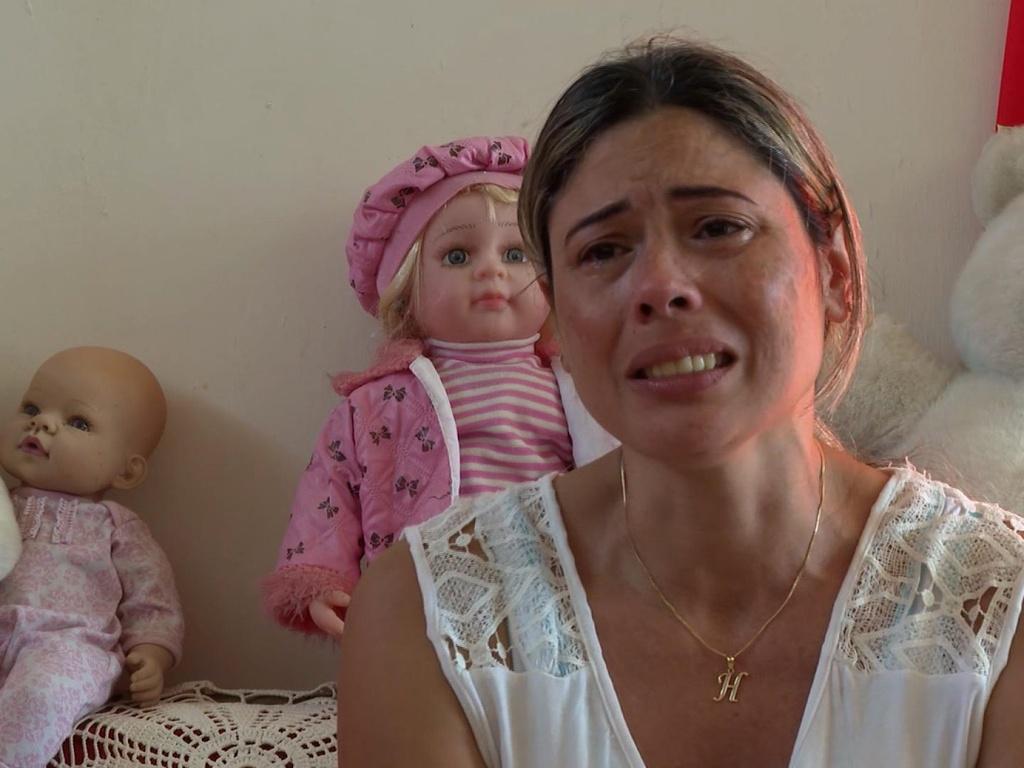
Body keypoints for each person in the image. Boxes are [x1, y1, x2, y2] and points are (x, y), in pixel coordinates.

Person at [337, 40, 1024, 767]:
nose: (661, 285)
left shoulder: (999, 604)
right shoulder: (428, 614)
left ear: (834, 270)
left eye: (718, 228)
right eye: (603, 250)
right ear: (558, 322)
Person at [263, 137, 616, 639]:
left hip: (551, 596)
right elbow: (329, 488)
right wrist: (322, 578)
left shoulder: (582, 390)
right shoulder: (377, 403)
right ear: (407, 286)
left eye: (516, 253)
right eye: (457, 256)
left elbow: (627, 479)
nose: (491, 270)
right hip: (426, 603)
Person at [0, 346, 184, 768]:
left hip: (67, 644)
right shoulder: (2, 503)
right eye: (31, 407)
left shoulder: (115, 526)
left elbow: (152, 598)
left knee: (45, 690)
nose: (42, 422)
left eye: (78, 422)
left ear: (127, 471)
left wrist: (152, 654)